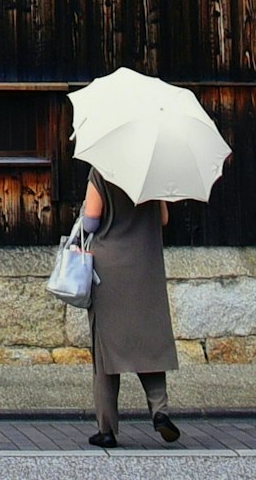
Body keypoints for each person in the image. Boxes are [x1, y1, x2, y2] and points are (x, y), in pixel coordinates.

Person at [70, 169, 180, 448]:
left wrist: (83, 210)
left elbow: (92, 221)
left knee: (106, 350)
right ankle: (160, 412)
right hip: (146, 266)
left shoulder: (101, 170)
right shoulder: (152, 173)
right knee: (149, 342)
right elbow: (164, 219)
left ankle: (107, 429)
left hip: (110, 269)